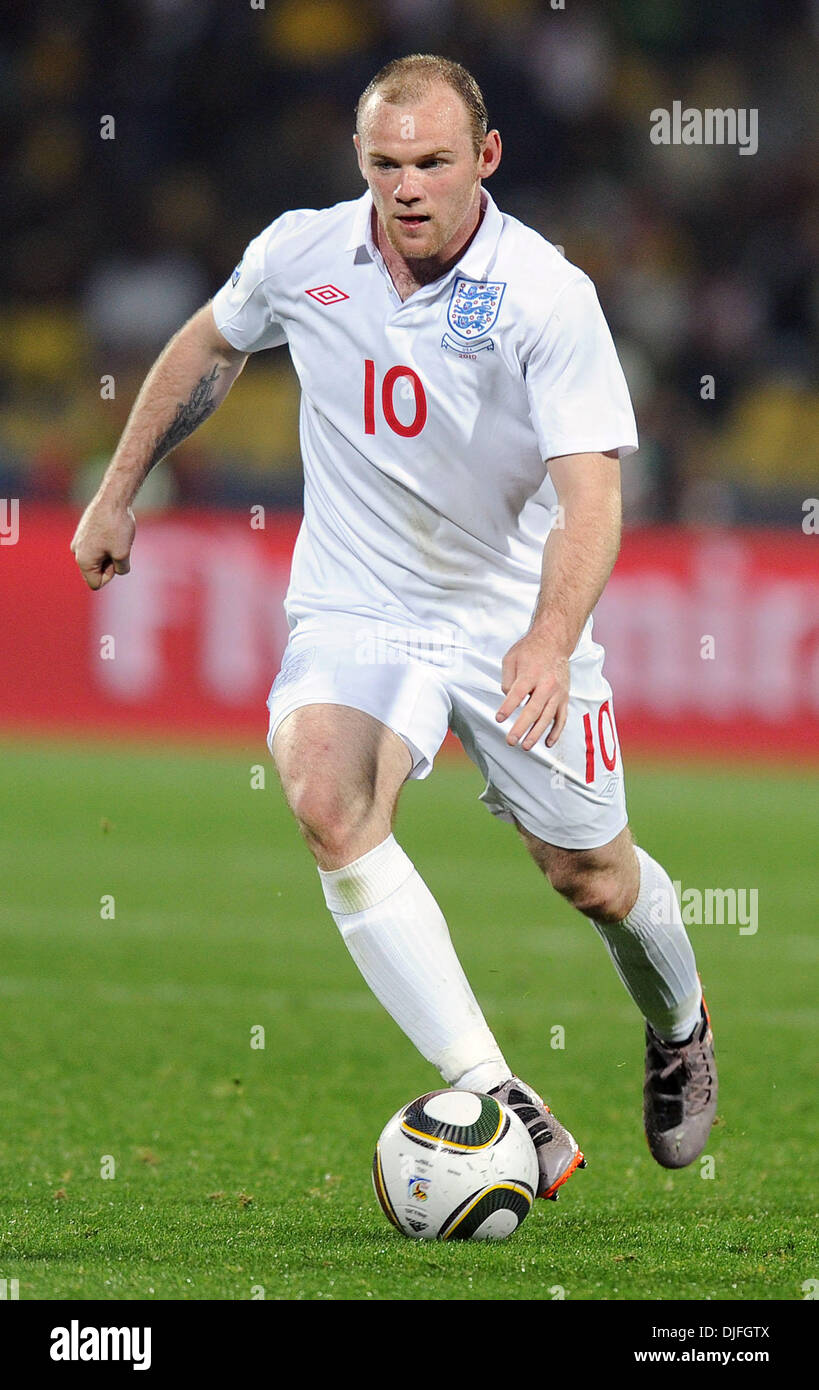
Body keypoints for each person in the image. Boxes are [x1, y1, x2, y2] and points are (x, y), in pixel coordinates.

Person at [71, 54, 717, 1201]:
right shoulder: (303, 252)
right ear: (358, 160)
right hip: (360, 599)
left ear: (486, 157)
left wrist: (552, 636)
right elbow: (208, 345)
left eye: (431, 162)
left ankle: (679, 1019)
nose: (408, 186)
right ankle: (496, 1088)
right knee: (325, 792)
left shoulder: (547, 293)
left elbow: (593, 494)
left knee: (592, 876)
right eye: (385, 163)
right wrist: (121, 489)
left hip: (511, 612)